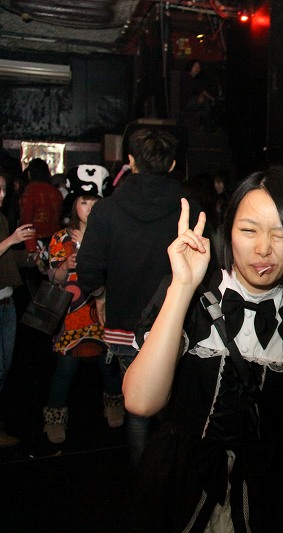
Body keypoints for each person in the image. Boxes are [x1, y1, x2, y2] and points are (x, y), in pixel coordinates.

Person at [122, 166, 283, 531]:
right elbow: (140, 401)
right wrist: (183, 286)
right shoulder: (189, 297)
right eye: (249, 230)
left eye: (281, 234)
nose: (263, 249)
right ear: (227, 230)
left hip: (266, 489)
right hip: (179, 478)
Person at [77, 128, 200, 465]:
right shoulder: (190, 210)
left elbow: (88, 268)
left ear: (131, 161)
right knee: (172, 405)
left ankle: (144, 480)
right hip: (176, 324)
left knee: (138, 407)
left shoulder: (106, 210)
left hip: (124, 325)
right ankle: (173, 475)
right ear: (172, 164)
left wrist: (100, 297)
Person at [42, 168, 124, 445]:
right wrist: (66, 265)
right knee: (65, 368)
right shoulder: (60, 238)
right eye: (84, 202)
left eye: (95, 202)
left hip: (102, 310)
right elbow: (54, 278)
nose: (89, 208)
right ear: (74, 204)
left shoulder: (109, 235)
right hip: (71, 313)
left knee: (108, 364)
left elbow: (117, 272)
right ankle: (54, 418)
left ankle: (114, 404)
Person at [0, 171, 36, 447]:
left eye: (3, 189)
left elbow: (7, 258)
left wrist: (32, 258)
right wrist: (12, 239)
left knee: (4, 368)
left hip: (7, 301)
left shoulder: (1, 219)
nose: (2, 195)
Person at [19, 157, 62, 257]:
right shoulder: (56, 192)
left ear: (30, 173)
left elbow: (26, 219)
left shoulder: (30, 190)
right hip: (55, 238)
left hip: (35, 240)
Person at [180, 60, 216, 130]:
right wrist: (211, 99)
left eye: (199, 67)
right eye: (195, 66)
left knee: (205, 102)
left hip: (188, 101)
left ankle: (204, 125)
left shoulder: (193, 78)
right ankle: (207, 127)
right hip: (184, 102)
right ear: (190, 67)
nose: (197, 69)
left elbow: (200, 90)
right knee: (206, 102)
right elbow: (201, 90)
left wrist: (201, 95)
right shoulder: (186, 76)